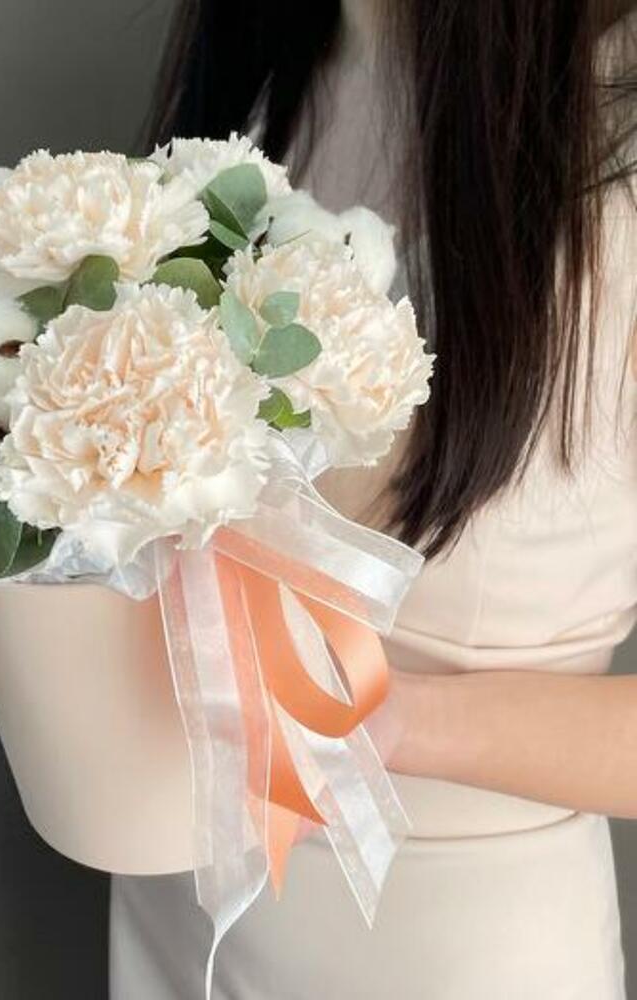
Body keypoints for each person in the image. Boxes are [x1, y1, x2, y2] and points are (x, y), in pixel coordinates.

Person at [110, 1, 637, 996]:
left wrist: (392, 724)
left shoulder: (617, 133)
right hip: (184, 898)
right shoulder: (276, 66)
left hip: (446, 941)